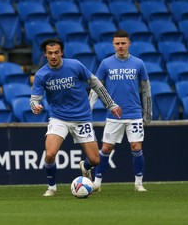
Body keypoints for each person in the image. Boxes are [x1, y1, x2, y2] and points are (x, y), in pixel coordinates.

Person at [30, 38, 122, 197]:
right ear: (45, 54)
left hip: (82, 118)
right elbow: (34, 99)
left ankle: (85, 167)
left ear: (61, 52)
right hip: (58, 118)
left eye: (56, 52)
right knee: (50, 154)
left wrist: (110, 104)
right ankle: (52, 187)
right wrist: (35, 106)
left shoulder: (75, 65)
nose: (53, 56)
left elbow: (95, 83)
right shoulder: (41, 75)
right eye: (50, 53)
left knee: (95, 161)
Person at [89, 30, 152, 192]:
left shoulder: (138, 63)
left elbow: (146, 89)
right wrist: (88, 106)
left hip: (134, 114)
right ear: (113, 44)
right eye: (117, 43)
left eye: (123, 43)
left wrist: (148, 113)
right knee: (106, 148)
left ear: (129, 43)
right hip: (113, 115)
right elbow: (97, 86)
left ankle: (138, 183)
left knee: (136, 147)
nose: (120, 46)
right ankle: (97, 182)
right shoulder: (106, 63)